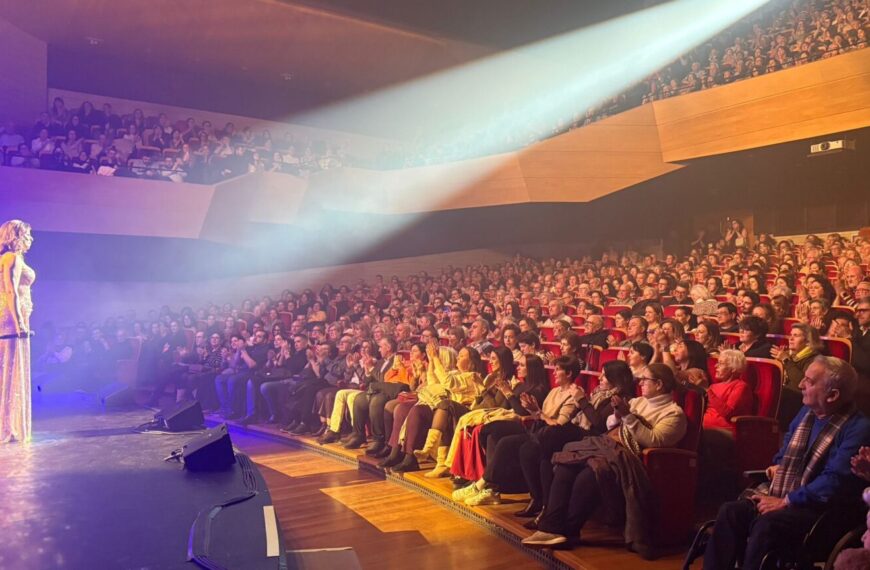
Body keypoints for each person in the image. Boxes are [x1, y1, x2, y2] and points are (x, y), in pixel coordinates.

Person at [703, 357, 870, 570]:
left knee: (767, 524)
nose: (800, 385)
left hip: (823, 511)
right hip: (789, 492)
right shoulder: (806, 413)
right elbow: (787, 447)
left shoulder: (859, 429)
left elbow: (834, 481)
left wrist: (787, 500)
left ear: (833, 395)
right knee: (730, 512)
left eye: (808, 381)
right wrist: (779, 464)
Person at [522, 363, 687, 555]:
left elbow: (655, 440)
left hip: (629, 459)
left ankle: (569, 530)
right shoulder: (638, 402)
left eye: (645, 380)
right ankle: (550, 527)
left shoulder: (674, 413)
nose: (640, 383)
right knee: (566, 463)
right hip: (606, 447)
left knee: (590, 474)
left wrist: (627, 416)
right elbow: (610, 425)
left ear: (659, 384)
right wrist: (618, 415)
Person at [0, 220, 35, 444]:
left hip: (16, 319)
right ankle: (7, 425)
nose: (30, 239)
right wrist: (20, 323)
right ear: (17, 236)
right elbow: (11, 290)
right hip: (13, 322)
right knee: (9, 368)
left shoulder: (14, 258)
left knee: (11, 369)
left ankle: (11, 423)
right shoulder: (11, 258)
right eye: (28, 235)